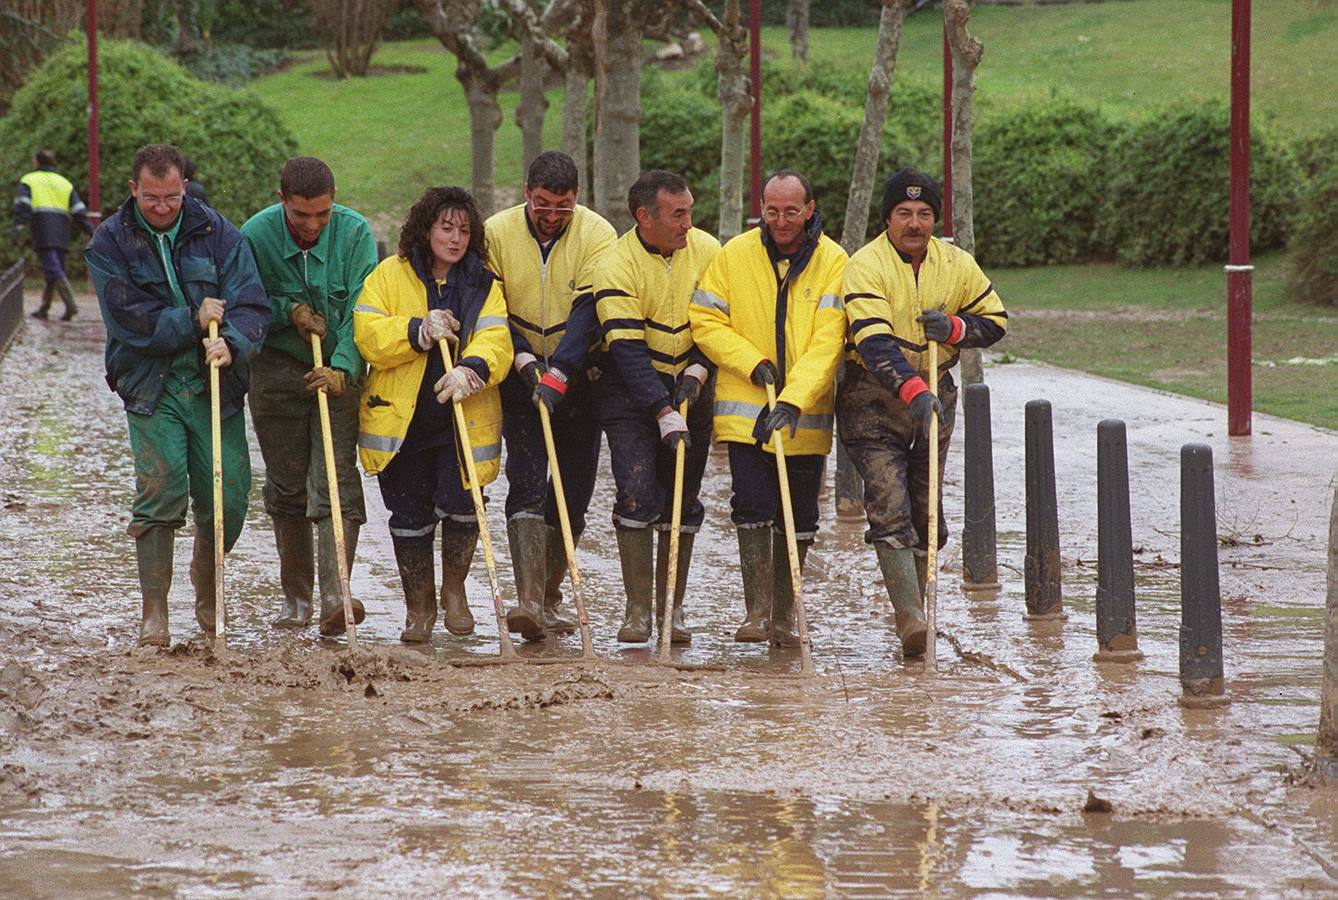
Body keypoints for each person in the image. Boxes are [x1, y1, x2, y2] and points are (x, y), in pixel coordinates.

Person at [85, 143, 270, 646]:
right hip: (150, 384)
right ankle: (155, 612)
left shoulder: (220, 234)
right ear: (134, 190)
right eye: (151, 198)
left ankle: (207, 582)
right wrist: (191, 318)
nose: (162, 207)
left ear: (184, 187)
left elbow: (253, 304)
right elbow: (128, 319)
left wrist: (233, 344)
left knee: (230, 492)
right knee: (161, 487)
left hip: (215, 382)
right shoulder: (109, 242)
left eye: (171, 196)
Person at [838, 168, 1008, 657]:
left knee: (926, 509)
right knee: (889, 503)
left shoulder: (956, 263)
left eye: (925, 214)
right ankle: (910, 618)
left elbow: (995, 320)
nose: (915, 223)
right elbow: (872, 341)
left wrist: (955, 328)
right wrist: (911, 388)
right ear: (888, 218)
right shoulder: (865, 265)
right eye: (904, 213)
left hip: (937, 393)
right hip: (872, 399)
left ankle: (918, 607)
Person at [689, 170, 848, 647]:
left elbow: (829, 341)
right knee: (752, 505)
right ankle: (757, 612)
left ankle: (786, 614)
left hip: (806, 416)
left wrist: (795, 399)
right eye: (772, 210)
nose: (781, 220)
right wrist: (752, 361)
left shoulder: (833, 261)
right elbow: (705, 319)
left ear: (810, 208)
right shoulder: (733, 255)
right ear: (761, 207)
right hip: (744, 415)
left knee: (799, 515)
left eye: (791, 211)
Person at [354, 187, 511, 644]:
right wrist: (416, 330)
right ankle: (418, 606)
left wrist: (473, 367)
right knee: (409, 515)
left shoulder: (484, 282)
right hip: (402, 423)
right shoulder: (389, 275)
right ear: (426, 229)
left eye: (464, 230)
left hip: (462, 420)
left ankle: (455, 591)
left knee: (463, 507)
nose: (456, 238)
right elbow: (368, 334)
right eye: (446, 227)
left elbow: (496, 337)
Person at [242, 156, 378, 635]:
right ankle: (295, 597)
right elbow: (245, 299)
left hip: (339, 366)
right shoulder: (256, 235)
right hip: (276, 370)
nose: (313, 225)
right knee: (287, 484)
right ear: (283, 202)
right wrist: (288, 310)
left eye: (323, 214)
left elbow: (363, 310)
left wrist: (342, 368)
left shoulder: (355, 233)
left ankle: (335, 594)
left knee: (335, 478)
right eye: (302, 216)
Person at [485, 150, 615, 641]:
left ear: (576, 200)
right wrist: (522, 363)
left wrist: (561, 372)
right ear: (526, 194)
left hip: (581, 374)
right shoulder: (496, 232)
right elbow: (491, 306)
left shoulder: (597, 233)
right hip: (518, 372)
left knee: (575, 492)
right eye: (543, 205)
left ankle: (554, 593)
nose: (552, 216)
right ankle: (528, 601)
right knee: (525, 481)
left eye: (563, 206)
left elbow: (591, 309)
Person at [595, 171, 719, 645]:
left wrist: (697, 371)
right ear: (645, 218)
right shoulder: (615, 264)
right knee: (637, 490)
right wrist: (662, 410)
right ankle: (638, 610)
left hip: (694, 384)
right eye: (678, 214)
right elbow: (625, 349)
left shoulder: (708, 251)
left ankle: (674, 605)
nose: (689, 223)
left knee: (683, 496)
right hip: (629, 392)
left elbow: (718, 321)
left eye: (690, 210)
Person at [13, 149, 94, 321]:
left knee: (52, 269)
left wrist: (19, 226)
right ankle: (44, 308)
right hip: (62, 232)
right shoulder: (64, 182)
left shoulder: (29, 180)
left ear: (37, 162)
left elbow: (23, 205)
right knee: (55, 269)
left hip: (42, 229)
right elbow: (78, 210)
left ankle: (71, 305)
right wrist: (90, 230)